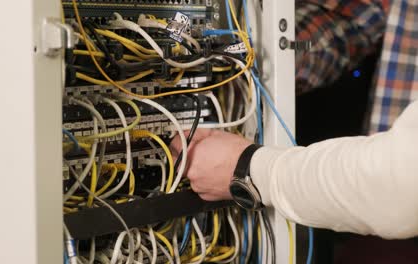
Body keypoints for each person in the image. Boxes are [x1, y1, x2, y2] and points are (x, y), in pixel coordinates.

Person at [170, 0, 418, 241]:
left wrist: (251, 169)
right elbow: (355, 20)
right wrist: (250, 53)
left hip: (386, 213)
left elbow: (401, 186)